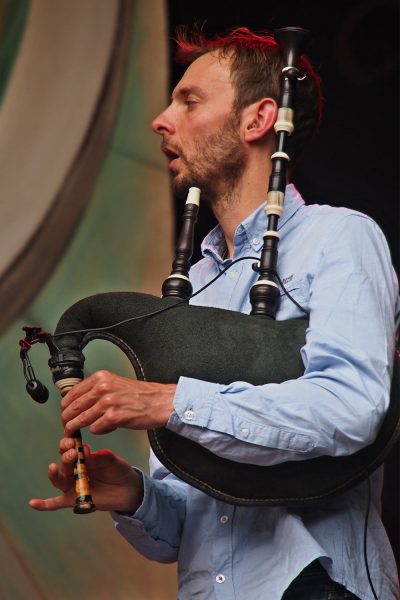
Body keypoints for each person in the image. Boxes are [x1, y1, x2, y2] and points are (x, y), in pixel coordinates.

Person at [29, 28, 400, 599]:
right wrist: (132, 494)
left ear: (258, 121)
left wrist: (168, 402)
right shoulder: (195, 287)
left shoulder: (339, 238)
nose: (160, 119)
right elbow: (188, 525)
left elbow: (351, 406)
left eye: (190, 100)